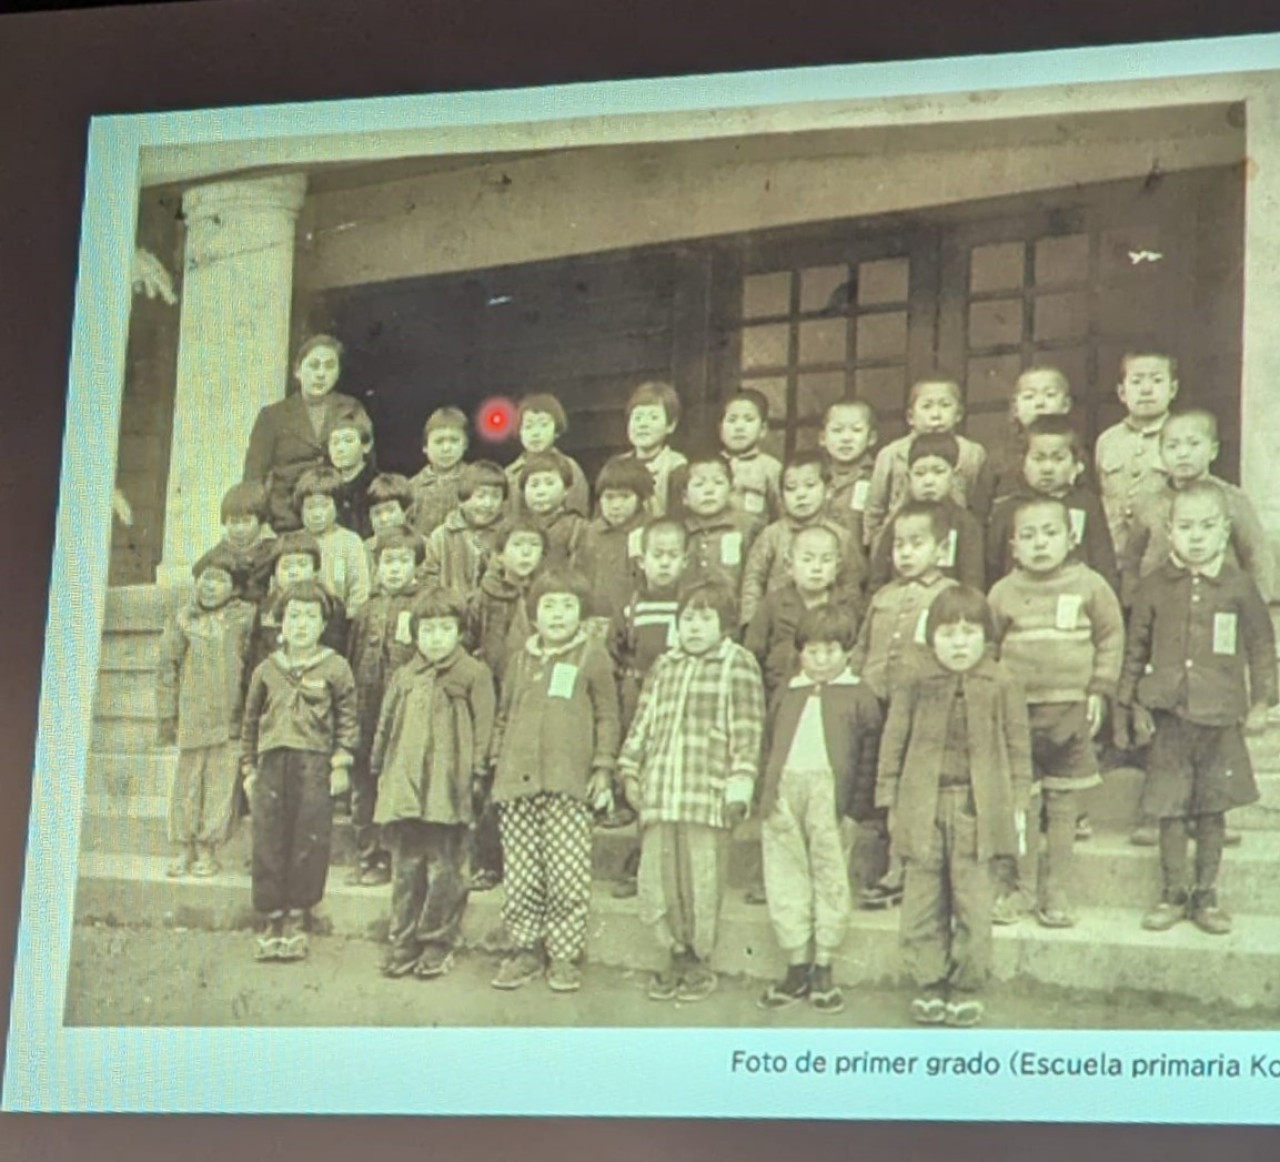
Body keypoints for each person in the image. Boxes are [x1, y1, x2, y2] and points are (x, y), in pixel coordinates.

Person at [1116, 482, 1277, 935]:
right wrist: (1131, 703)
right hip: (1167, 717)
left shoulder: (1240, 587)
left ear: (1224, 531)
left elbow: (1263, 647)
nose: (1197, 536)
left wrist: (1262, 701)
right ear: (1169, 532)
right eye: (1186, 527)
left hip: (1221, 717)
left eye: (1207, 526)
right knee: (1168, 809)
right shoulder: (1154, 587)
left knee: (1211, 811)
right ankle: (1173, 894)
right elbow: (1135, 648)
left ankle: (1206, 896)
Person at [875, 586, 1031, 1028]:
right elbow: (895, 737)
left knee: (972, 899)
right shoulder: (915, 679)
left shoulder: (1001, 681)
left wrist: (1019, 798)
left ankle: (965, 984)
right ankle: (928, 981)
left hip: (977, 808)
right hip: (921, 804)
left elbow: (1018, 745)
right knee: (922, 898)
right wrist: (888, 795)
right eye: (948, 633)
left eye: (970, 632)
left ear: (986, 637)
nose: (959, 643)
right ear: (931, 637)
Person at [617, 577, 766, 1003]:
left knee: (701, 877)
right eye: (687, 619)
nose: (695, 628)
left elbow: (747, 730)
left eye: (705, 619)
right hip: (663, 790)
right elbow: (644, 722)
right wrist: (630, 770)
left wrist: (740, 785)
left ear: (725, 625)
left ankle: (700, 956)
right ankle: (674, 952)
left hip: (707, 793)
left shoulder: (736, 663)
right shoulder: (666, 665)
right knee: (661, 879)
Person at [988, 498, 1124, 928]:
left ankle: (1056, 891)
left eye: (1049, 533)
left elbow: (1110, 637)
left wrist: (1099, 690)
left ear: (1071, 538)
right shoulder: (1003, 592)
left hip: (1070, 710)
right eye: (1028, 536)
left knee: (1064, 807)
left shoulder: (1090, 585)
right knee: (1021, 806)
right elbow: (988, 648)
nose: (1039, 543)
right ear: (1014, 546)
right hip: (1015, 716)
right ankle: (1022, 888)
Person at [487, 570, 621, 993]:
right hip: (517, 786)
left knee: (566, 873)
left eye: (567, 606)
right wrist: (496, 762)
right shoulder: (521, 659)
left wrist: (602, 767)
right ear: (534, 613)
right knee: (523, 873)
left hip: (567, 783)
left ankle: (563, 955)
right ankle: (525, 949)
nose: (558, 614)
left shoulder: (591, 657)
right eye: (549, 605)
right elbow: (505, 714)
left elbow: (607, 715)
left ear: (581, 613)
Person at [757, 606, 881, 1015]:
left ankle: (824, 962)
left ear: (847, 651)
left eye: (831, 650)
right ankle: (796, 963)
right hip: (785, 793)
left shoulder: (860, 695)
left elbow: (868, 761)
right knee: (784, 874)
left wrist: (855, 812)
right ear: (800, 653)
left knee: (829, 874)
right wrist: (767, 794)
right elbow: (768, 744)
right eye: (811, 651)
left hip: (831, 796)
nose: (821, 660)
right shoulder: (788, 692)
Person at [370, 588, 495, 980]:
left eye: (445, 628)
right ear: (415, 632)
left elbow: (484, 728)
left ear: (460, 631)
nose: (436, 638)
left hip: (448, 788)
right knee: (406, 867)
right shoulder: (406, 675)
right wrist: (379, 768)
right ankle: (403, 939)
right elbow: (386, 724)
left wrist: (476, 774)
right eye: (428, 630)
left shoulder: (474, 674)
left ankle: (436, 942)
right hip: (406, 787)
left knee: (445, 868)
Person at [240, 580, 359, 962]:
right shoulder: (267, 669)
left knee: (308, 839)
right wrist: (248, 767)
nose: (302, 624)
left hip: (314, 765)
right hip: (272, 764)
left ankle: (296, 916)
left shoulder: (336, 667)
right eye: (294, 616)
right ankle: (271, 916)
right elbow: (249, 721)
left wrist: (340, 762)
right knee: (268, 838)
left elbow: (348, 720)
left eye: (311, 616)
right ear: (281, 624)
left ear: (323, 624)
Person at [848, 502, 958, 907]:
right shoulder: (883, 595)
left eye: (917, 543)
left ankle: (903, 869)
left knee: (907, 790)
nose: (906, 553)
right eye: (899, 545)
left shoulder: (948, 595)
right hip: (876, 702)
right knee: (876, 785)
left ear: (941, 549)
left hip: (920, 711)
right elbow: (861, 647)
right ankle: (874, 864)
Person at [154, 549, 256, 878]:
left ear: (235, 588)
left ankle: (208, 849)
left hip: (230, 717)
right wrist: (168, 717)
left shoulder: (246, 617)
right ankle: (184, 846)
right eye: (205, 579)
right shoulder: (183, 618)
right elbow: (167, 668)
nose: (210, 586)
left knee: (219, 785)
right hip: (192, 715)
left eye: (220, 580)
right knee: (188, 783)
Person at [465, 521, 548, 894]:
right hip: (495, 693)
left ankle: (530, 864)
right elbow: (470, 640)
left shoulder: (548, 593)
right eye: (518, 545)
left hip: (536, 695)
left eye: (533, 546)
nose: (526, 553)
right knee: (491, 777)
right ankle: (488, 861)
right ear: (499, 555)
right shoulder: (484, 595)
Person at [1119, 409, 1275, 606]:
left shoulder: (1232, 499)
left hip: (1220, 605)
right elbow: (1132, 559)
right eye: (1172, 446)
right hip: (1163, 608)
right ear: (1161, 454)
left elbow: (1257, 556)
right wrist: (1134, 605)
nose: (1183, 453)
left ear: (1213, 451)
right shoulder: (1149, 503)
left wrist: (1254, 608)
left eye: (1193, 444)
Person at [343, 527, 425, 887]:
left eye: (403, 561)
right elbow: (352, 657)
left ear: (416, 565)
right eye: (388, 561)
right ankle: (368, 855)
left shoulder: (423, 605)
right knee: (364, 788)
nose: (394, 569)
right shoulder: (366, 610)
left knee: (400, 784)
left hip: (405, 715)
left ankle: (399, 857)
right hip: (366, 712)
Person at [243, 334, 364, 534]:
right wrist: (261, 524)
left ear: (338, 373)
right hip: (286, 521)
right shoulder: (272, 416)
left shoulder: (351, 409)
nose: (321, 374)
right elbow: (253, 477)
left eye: (329, 366)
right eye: (314, 366)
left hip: (339, 520)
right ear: (297, 371)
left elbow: (366, 465)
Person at [986, 415, 1117, 593]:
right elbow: (993, 565)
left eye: (1058, 459)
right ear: (1023, 461)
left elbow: (1103, 559)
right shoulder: (1007, 508)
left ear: (1075, 463)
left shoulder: (1086, 504)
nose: (1047, 468)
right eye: (1038, 459)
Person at [862, 378, 986, 550]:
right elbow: (875, 506)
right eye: (927, 406)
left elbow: (976, 502)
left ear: (958, 414)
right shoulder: (891, 454)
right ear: (910, 417)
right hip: (901, 540)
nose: (936, 415)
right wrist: (872, 543)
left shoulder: (972, 453)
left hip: (951, 538)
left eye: (945, 405)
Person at [739, 451, 861, 626]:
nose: (801, 495)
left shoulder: (841, 536)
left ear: (828, 491)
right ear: (781, 496)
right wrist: (751, 623)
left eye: (810, 486)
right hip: (778, 622)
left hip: (824, 626)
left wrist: (848, 624)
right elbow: (753, 580)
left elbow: (851, 586)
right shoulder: (771, 535)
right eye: (791, 488)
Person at [745, 523, 855, 704]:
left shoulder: (845, 606)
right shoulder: (772, 604)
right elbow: (752, 655)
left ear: (837, 567)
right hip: (779, 696)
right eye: (807, 559)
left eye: (826, 560)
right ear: (789, 565)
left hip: (832, 700)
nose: (817, 568)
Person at [866, 432, 984, 593]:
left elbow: (972, 579)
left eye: (938, 471)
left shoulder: (964, 523)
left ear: (954, 475)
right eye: (920, 473)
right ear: (909, 477)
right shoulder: (899, 520)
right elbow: (878, 576)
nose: (929, 481)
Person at [1095, 350, 1179, 557]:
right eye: (1136, 381)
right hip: (1114, 554)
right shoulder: (1107, 441)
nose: (1146, 389)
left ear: (1173, 389)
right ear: (1122, 393)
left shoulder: (1182, 437)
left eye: (1157, 380)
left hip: (1162, 555)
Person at [970, 365, 1077, 521]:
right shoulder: (999, 456)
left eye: (1050, 395)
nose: (1040, 403)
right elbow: (980, 510)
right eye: (1029, 397)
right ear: (1015, 407)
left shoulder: (1074, 452)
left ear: (1066, 405)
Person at [293, 466, 371, 636]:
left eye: (324, 506)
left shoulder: (349, 541)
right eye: (310, 507)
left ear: (337, 506)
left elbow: (360, 589)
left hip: (338, 625)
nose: (317, 514)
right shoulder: (293, 542)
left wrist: (350, 616)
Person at [577, 457, 652, 629]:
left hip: (637, 622)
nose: (616, 505)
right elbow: (580, 578)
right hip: (594, 623)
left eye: (625, 497)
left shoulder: (650, 532)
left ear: (640, 498)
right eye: (609, 498)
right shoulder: (590, 533)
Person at [596, 381, 688, 518]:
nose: (643, 424)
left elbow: (677, 517)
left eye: (653, 417)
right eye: (637, 418)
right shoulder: (617, 465)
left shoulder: (676, 466)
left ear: (670, 425)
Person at [421, 460, 508, 596]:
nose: (488, 504)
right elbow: (428, 582)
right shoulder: (441, 537)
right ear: (463, 498)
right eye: (480, 496)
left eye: (496, 496)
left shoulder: (508, 535)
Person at [504, 393, 590, 519]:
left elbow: (579, 515)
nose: (535, 433)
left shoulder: (570, 468)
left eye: (543, 425)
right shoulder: (510, 474)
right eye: (528, 427)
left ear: (556, 430)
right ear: (519, 432)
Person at [681, 453, 757, 596]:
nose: (709, 490)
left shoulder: (746, 527)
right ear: (685, 497)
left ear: (731, 492)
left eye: (718, 482)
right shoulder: (680, 531)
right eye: (699, 484)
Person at [192, 481, 277, 605]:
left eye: (247, 521)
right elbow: (198, 575)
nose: (240, 529)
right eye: (234, 522)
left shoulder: (272, 550)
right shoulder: (218, 553)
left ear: (260, 521)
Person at [718, 389, 783, 527]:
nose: (739, 427)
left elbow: (781, 515)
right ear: (720, 429)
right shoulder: (710, 465)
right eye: (732, 420)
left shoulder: (771, 468)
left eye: (748, 420)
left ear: (763, 429)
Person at [819, 399, 878, 549]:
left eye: (856, 430)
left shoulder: (877, 477)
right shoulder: (815, 477)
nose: (846, 438)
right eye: (837, 430)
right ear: (823, 438)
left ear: (871, 438)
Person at [520, 451, 589, 569]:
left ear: (566, 489)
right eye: (534, 485)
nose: (540, 491)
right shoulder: (516, 527)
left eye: (549, 483)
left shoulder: (578, 528)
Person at [409, 407, 470, 537]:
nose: (446, 448)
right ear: (425, 447)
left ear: (465, 444)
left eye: (454, 441)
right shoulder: (412, 487)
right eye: (439, 441)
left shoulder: (474, 481)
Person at [326, 402, 379, 540]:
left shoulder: (377, 487)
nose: (340, 448)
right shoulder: (327, 487)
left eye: (348, 441)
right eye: (335, 442)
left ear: (366, 445)